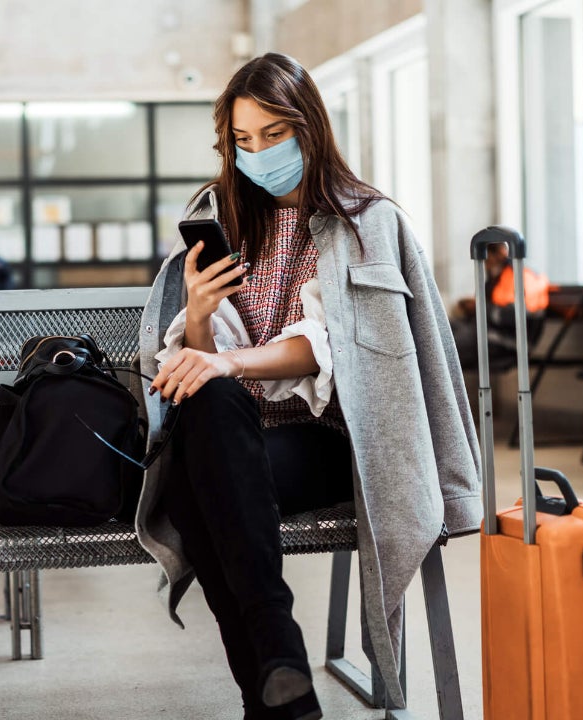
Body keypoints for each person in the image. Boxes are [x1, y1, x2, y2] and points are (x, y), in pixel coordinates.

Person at [137, 53, 481, 719]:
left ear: (309, 128)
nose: (257, 153)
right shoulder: (231, 221)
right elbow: (206, 367)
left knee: (195, 482)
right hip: (238, 437)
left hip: (330, 441)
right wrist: (202, 317)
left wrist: (228, 365)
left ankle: (273, 674)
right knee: (205, 436)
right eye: (242, 140)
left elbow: (337, 349)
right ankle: (281, 673)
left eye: (272, 134)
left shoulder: (363, 221)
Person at [449, 241, 550, 371]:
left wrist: (479, 308)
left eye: (487, 258)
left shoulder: (520, 277)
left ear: (498, 254)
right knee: (445, 326)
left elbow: (517, 316)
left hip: (510, 341)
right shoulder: (496, 278)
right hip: (488, 331)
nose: (485, 264)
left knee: (450, 345)